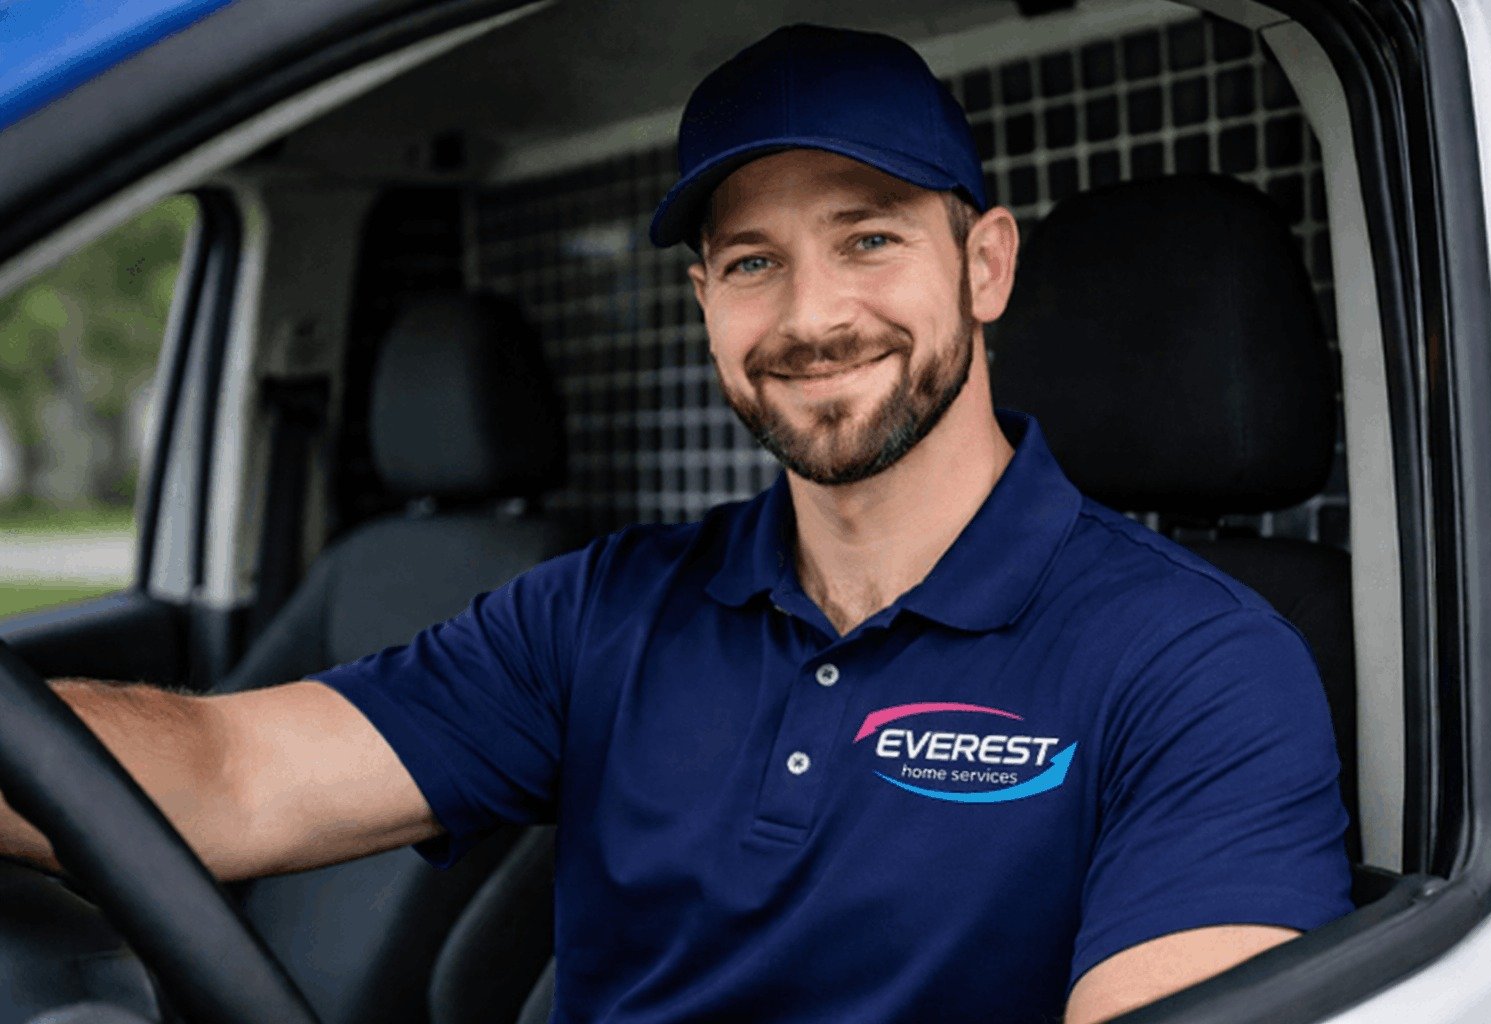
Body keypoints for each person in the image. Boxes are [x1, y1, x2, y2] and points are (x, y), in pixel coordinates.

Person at [2, 23, 1352, 1024]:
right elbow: (231, 776)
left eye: (869, 238)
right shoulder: (604, 609)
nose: (813, 317)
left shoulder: (1199, 667)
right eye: (754, 262)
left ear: (984, 264)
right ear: (707, 299)